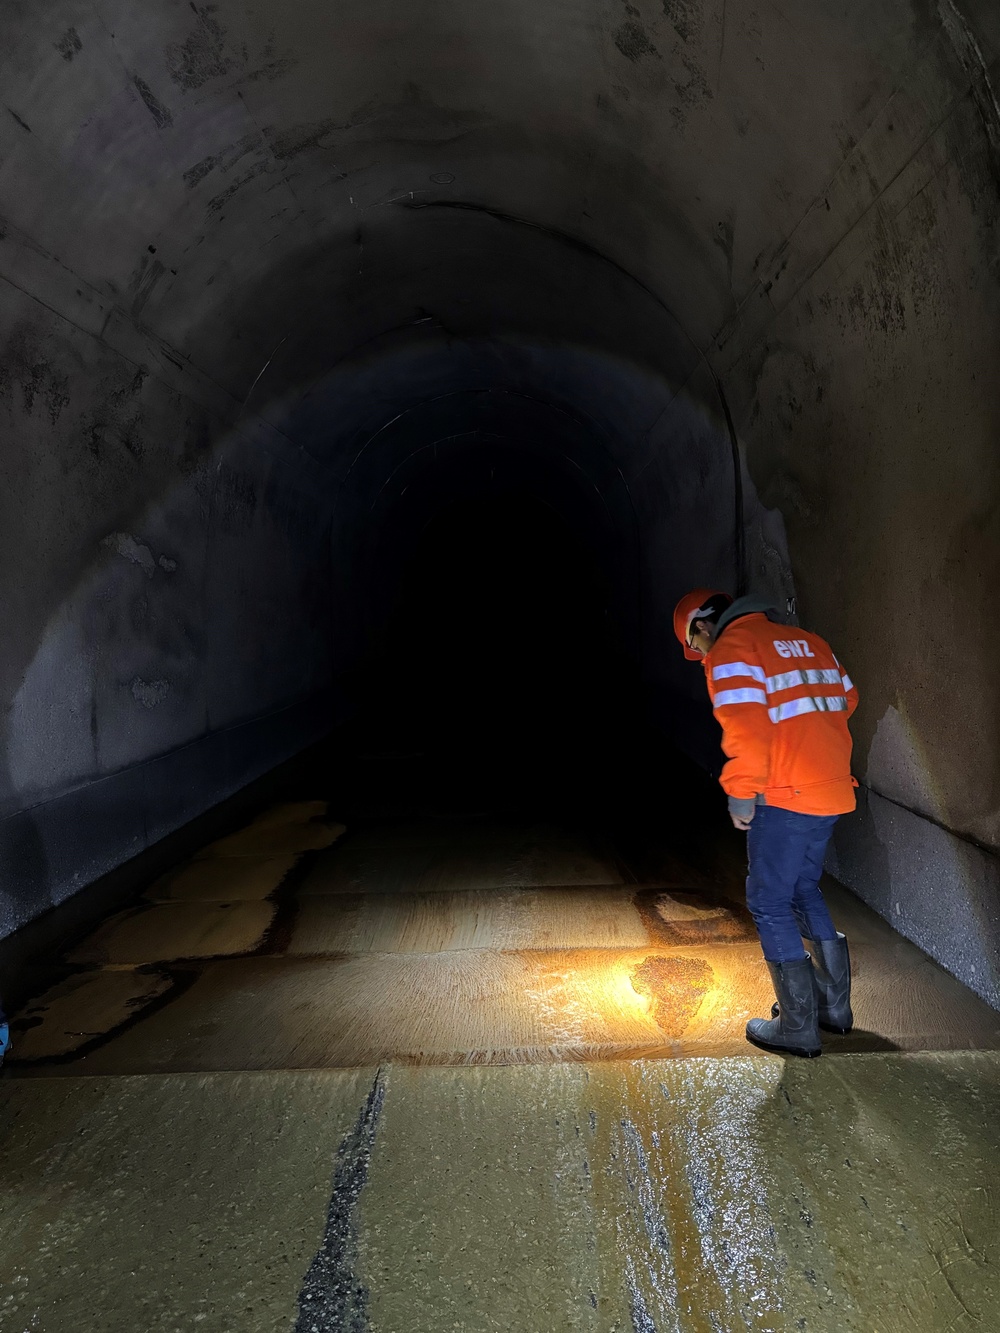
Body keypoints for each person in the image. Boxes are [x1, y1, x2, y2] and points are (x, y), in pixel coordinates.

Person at [673, 588, 858, 1057]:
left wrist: (740, 793)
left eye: (696, 648)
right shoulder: (809, 641)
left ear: (701, 627)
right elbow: (848, 699)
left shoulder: (734, 650)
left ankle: (797, 1025)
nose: (701, 657)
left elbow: (746, 728)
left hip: (783, 795)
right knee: (803, 889)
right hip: (831, 789)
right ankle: (832, 1007)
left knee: (769, 900)